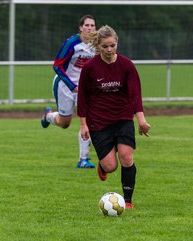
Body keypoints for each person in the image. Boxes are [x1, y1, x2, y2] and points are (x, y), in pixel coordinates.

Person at [77, 25, 151, 209]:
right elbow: (83, 97)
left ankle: (127, 200)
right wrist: (83, 124)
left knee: (126, 157)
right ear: (98, 46)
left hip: (123, 118)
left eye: (112, 45)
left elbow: (135, 94)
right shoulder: (90, 68)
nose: (109, 50)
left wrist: (141, 120)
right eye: (105, 46)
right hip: (99, 122)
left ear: (117, 43)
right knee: (111, 166)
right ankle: (103, 167)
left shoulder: (126, 65)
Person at [41, 15, 97, 169]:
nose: (90, 28)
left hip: (84, 88)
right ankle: (48, 116)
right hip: (65, 85)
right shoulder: (72, 43)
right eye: (87, 25)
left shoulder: (97, 44)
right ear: (81, 27)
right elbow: (57, 66)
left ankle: (83, 159)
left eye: (93, 25)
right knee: (64, 123)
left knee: (88, 119)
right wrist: (71, 85)